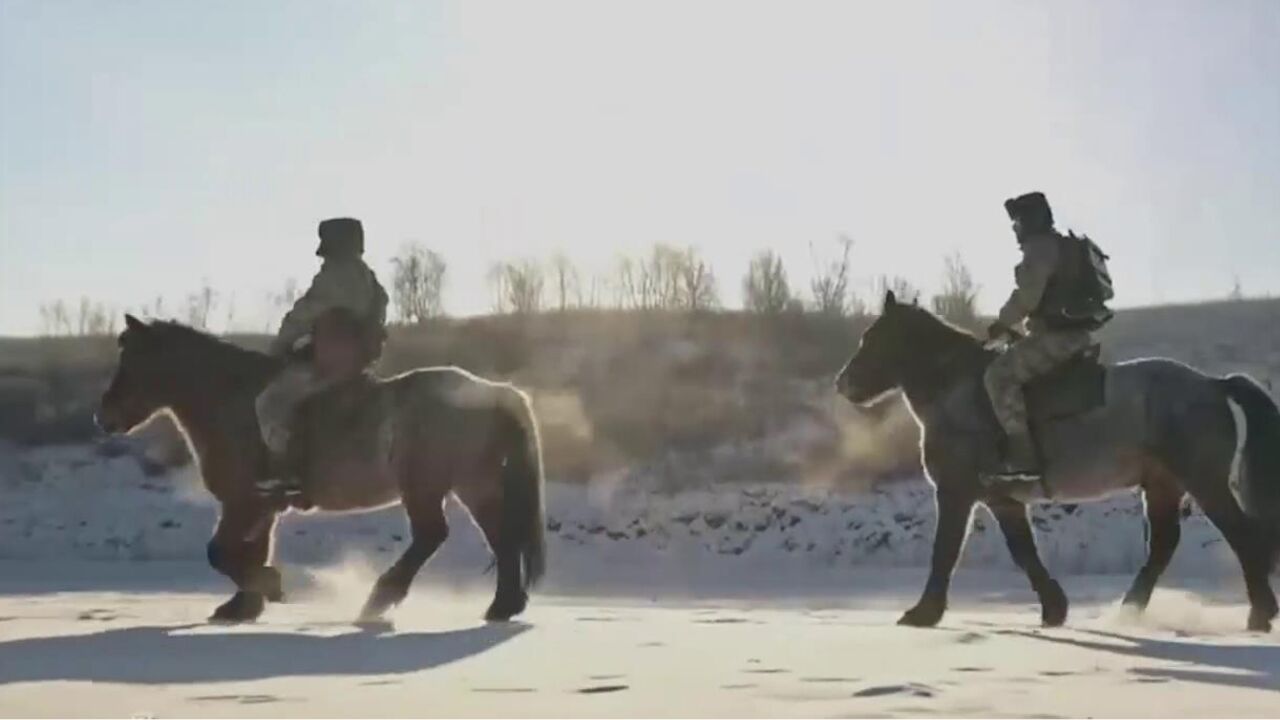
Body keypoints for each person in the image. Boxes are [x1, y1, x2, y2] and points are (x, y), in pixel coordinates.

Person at [254, 217, 389, 497]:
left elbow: (304, 314)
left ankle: (286, 471)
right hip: (361, 361)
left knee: (270, 401)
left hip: (332, 362)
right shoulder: (369, 279)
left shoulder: (334, 276)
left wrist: (280, 345)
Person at [983, 191, 1111, 483]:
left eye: (1016, 222)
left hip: (1057, 340)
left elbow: (1027, 297)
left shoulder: (1040, 248)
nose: (1015, 229)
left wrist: (1000, 324)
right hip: (1072, 335)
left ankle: (1023, 455)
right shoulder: (1062, 245)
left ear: (1030, 220)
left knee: (998, 376)